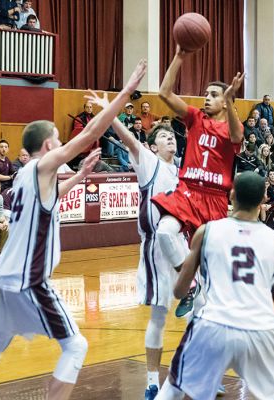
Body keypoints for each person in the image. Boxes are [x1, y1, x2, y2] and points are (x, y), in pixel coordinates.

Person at [0, 59, 147, 400]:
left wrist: (78, 178)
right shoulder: (44, 164)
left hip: (6, 274)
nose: (63, 144)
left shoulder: (24, 175)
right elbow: (92, 134)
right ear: (48, 146)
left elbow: (49, 199)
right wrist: (125, 93)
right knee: (76, 345)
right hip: (28, 278)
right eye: (59, 140)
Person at [156, 172, 274, 400]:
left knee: (173, 388)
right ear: (264, 199)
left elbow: (180, 290)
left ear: (231, 195)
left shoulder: (207, 232)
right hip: (261, 329)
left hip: (213, 326)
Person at [87, 88, 185, 400]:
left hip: (183, 245)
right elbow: (129, 137)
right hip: (157, 247)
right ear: (153, 145)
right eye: (164, 137)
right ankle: (152, 381)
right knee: (159, 316)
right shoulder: (148, 162)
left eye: (172, 136)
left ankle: (198, 369)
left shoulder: (181, 171)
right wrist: (109, 111)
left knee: (200, 314)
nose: (170, 139)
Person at [153, 44, 244, 320]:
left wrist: (230, 101)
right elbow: (164, 93)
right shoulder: (195, 118)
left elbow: (238, 137)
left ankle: (214, 315)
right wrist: (178, 57)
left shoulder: (230, 126)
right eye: (206, 93)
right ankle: (190, 284)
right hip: (188, 192)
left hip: (215, 199)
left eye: (214, 95)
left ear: (226, 101)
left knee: (213, 273)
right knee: (165, 232)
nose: (207, 97)